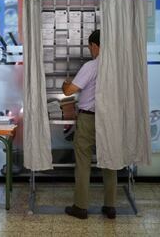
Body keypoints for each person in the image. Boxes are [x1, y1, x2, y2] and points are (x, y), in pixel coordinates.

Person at [62, 30, 118, 219]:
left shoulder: (92, 66)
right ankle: (110, 206)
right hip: (111, 119)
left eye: (90, 47)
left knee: (83, 161)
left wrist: (65, 84)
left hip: (88, 118)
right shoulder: (118, 67)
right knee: (110, 161)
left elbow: (70, 91)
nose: (90, 50)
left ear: (95, 45)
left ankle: (81, 206)